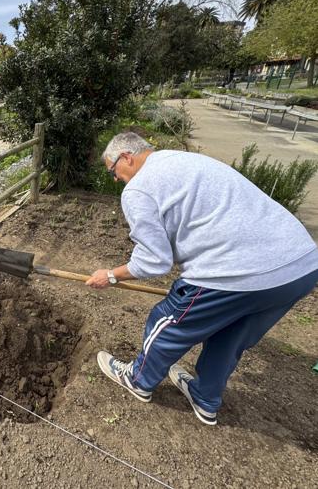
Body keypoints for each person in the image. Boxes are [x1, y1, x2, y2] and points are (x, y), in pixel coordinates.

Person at [86, 132, 318, 425]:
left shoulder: (138, 189)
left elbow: (155, 261)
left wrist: (111, 275)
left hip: (232, 270)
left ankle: (138, 379)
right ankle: (205, 397)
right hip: (300, 265)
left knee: (168, 321)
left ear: (127, 157)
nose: (116, 179)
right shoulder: (183, 160)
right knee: (231, 334)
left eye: (112, 171)